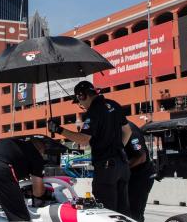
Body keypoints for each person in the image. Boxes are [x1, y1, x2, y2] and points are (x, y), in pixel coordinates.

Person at [48, 80, 131, 214]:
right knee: (124, 212)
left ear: (82, 96)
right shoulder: (114, 105)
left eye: (79, 102)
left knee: (106, 213)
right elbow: (127, 131)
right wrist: (119, 148)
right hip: (123, 165)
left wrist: (59, 130)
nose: (81, 105)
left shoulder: (94, 112)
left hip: (106, 168)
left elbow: (84, 139)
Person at [124, 121, 155, 222]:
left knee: (135, 213)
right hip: (129, 176)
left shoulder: (130, 130)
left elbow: (141, 157)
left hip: (141, 175)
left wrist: (121, 168)